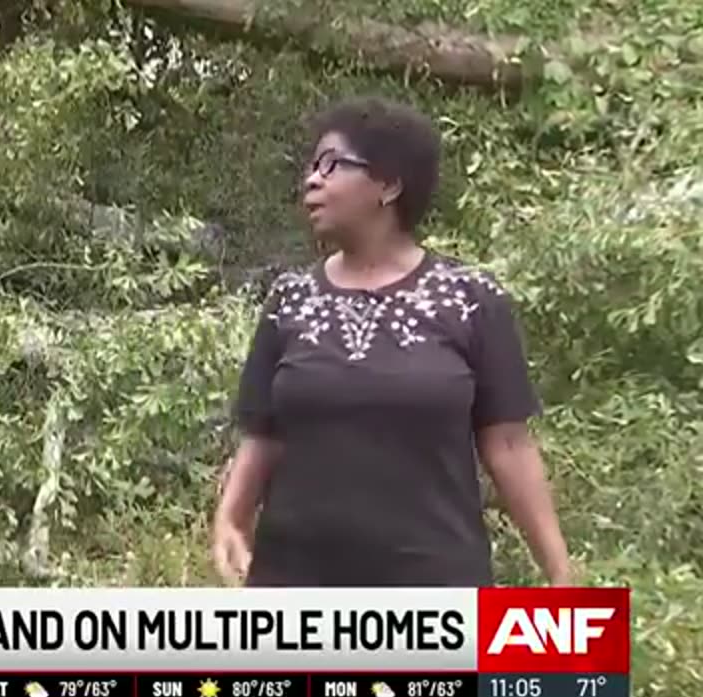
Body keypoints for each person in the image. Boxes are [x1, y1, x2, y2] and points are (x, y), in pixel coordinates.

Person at [212, 96, 572, 588]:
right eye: (312, 166)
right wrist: (230, 519)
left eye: (332, 164)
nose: (312, 179)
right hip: (294, 586)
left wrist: (559, 571)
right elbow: (263, 433)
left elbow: (508, 444)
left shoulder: (471, 301)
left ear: (389, 184)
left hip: (435, 590)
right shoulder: (289, 301)